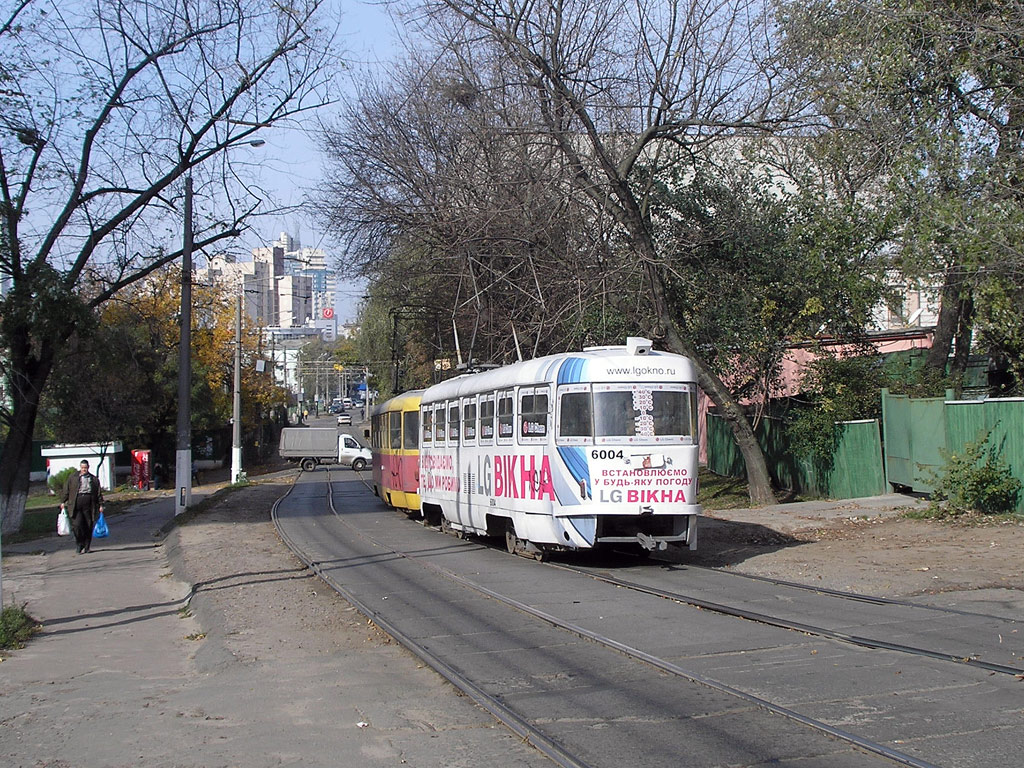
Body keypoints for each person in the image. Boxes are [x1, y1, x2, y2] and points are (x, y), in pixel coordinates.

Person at [60, 460, 104, 554]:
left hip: (89, 504)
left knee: (88, 525)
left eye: (85, 468)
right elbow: (66, 489)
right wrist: (63, 501)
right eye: (82, 468)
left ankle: (87, 546)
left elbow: (98, 493)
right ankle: (79, 543)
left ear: (88, 467)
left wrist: (100, 504)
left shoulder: (93, 479)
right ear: (80, 467)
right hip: (76, 504)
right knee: (77, 525)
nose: (84, 470)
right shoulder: (73, 477)